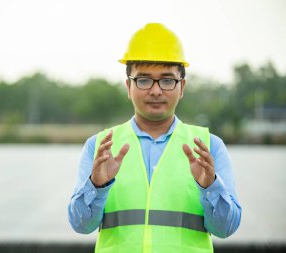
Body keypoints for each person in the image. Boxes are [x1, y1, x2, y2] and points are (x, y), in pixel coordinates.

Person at [68, 23, 241, 253]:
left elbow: (225, 229)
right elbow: (81, 225)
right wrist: (97, 185)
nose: (156, 91)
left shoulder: (209, 147)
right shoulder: (100, 147)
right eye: (144, 80)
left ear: (182, 87)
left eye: (167, 80)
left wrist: (209, 186)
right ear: (128, 86)